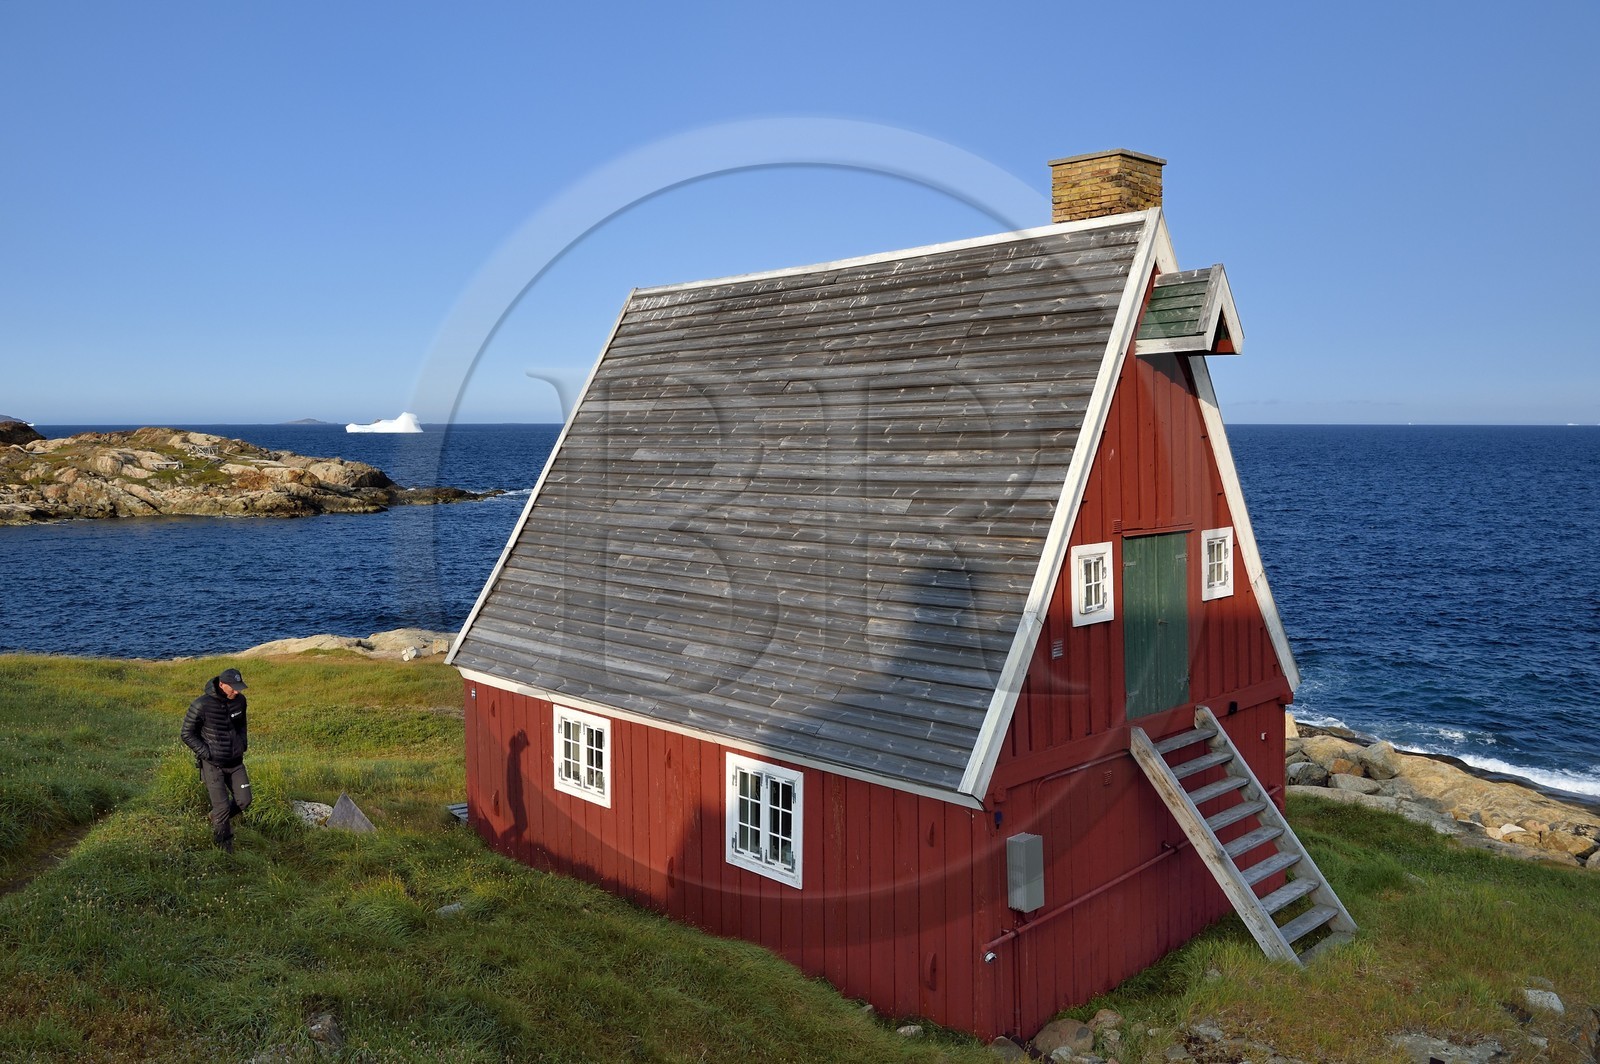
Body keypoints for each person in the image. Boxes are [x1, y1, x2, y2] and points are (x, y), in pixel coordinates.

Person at [181, 667, 253, 853]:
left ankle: (215, 817)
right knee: (222, 808)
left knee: (244, 800)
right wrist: (207, 753)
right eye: (233, 688)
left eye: (239, 687)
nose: (237, 691)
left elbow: (241, 725)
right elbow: (187, 733)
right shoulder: (201, 705)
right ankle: (224, 849)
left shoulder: (240, 701)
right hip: (213, 765)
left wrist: (242, 744)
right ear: (222, 685)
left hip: (235, 762)